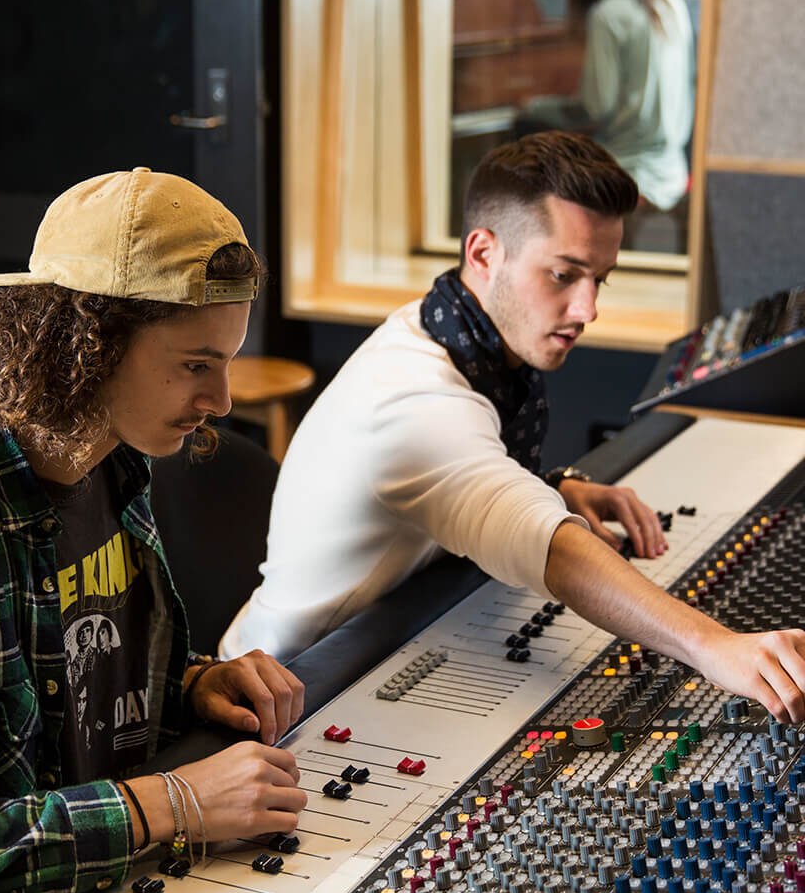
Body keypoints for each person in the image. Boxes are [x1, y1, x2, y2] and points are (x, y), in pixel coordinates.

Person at [220, 131, 805, 726]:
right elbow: (547, 544)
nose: (588, 309)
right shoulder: (411, 398)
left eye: (599, 279)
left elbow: (472, 472)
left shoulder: (451, 330)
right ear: (482, 253)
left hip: (382, 641)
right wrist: (716, 646)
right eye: (563, 274)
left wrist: (555, 486)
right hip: (282, 696)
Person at [0, 167, 307, 893]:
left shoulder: (116, 454)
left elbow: (74, 682)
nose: (219, 402)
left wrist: (189, 687)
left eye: (226, 362)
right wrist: (171, 804)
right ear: (82, 345)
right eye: (195, 365)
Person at [516, 0, 694, 214]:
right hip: (673, 170)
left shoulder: (608, 13)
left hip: (626, 170)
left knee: (528, 144)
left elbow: (596, 109)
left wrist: (532, 106)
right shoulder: (671, 1)